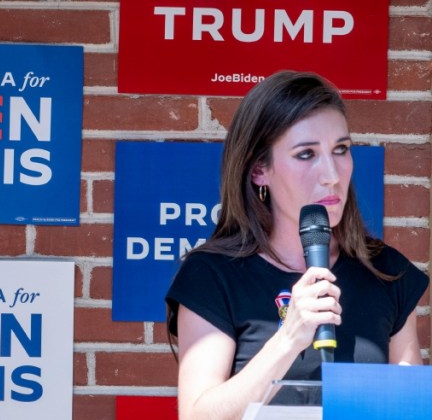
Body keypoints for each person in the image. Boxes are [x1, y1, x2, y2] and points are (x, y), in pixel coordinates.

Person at [165, 70, 428, 419]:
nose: (332, 175)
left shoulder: (386, 271)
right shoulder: (212, 276)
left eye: (341, 150)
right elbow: (198, 415)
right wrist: (289, 339)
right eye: (306, 154)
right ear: (260, 170)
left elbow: (409, 408)